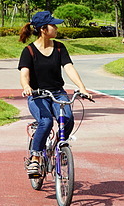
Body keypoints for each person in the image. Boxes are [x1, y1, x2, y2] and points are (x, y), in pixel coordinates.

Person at [18, 10, 92, 177]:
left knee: (68, 120)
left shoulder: (59, 48)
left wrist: (82, 87)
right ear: (44, 29)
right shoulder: (29, 51)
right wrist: (26, 86)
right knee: (46, 122)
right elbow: (24, 74)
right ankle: (36, 158)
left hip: (58, 93)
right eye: (54, 25)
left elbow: (69, 68)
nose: (57, 27)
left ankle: (59, 148)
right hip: (37, 95)